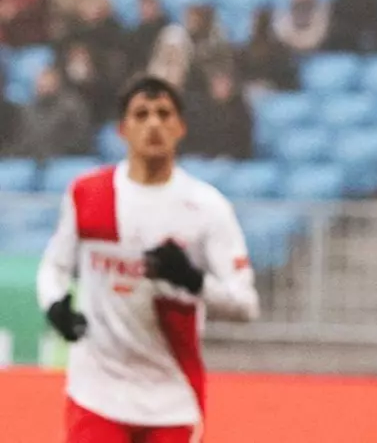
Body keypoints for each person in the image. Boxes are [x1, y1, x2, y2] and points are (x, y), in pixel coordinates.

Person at [36, 74, 260, 443]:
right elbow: (54, 267)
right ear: (122, 129)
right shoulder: (88, 194)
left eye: (163, 113)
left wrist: (192, 280)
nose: (153, 123)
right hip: (96, 392)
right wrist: (55, 304)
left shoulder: (207, 208)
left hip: (172, 398)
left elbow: (246, 305)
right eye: (141, 114)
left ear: (181, 127)